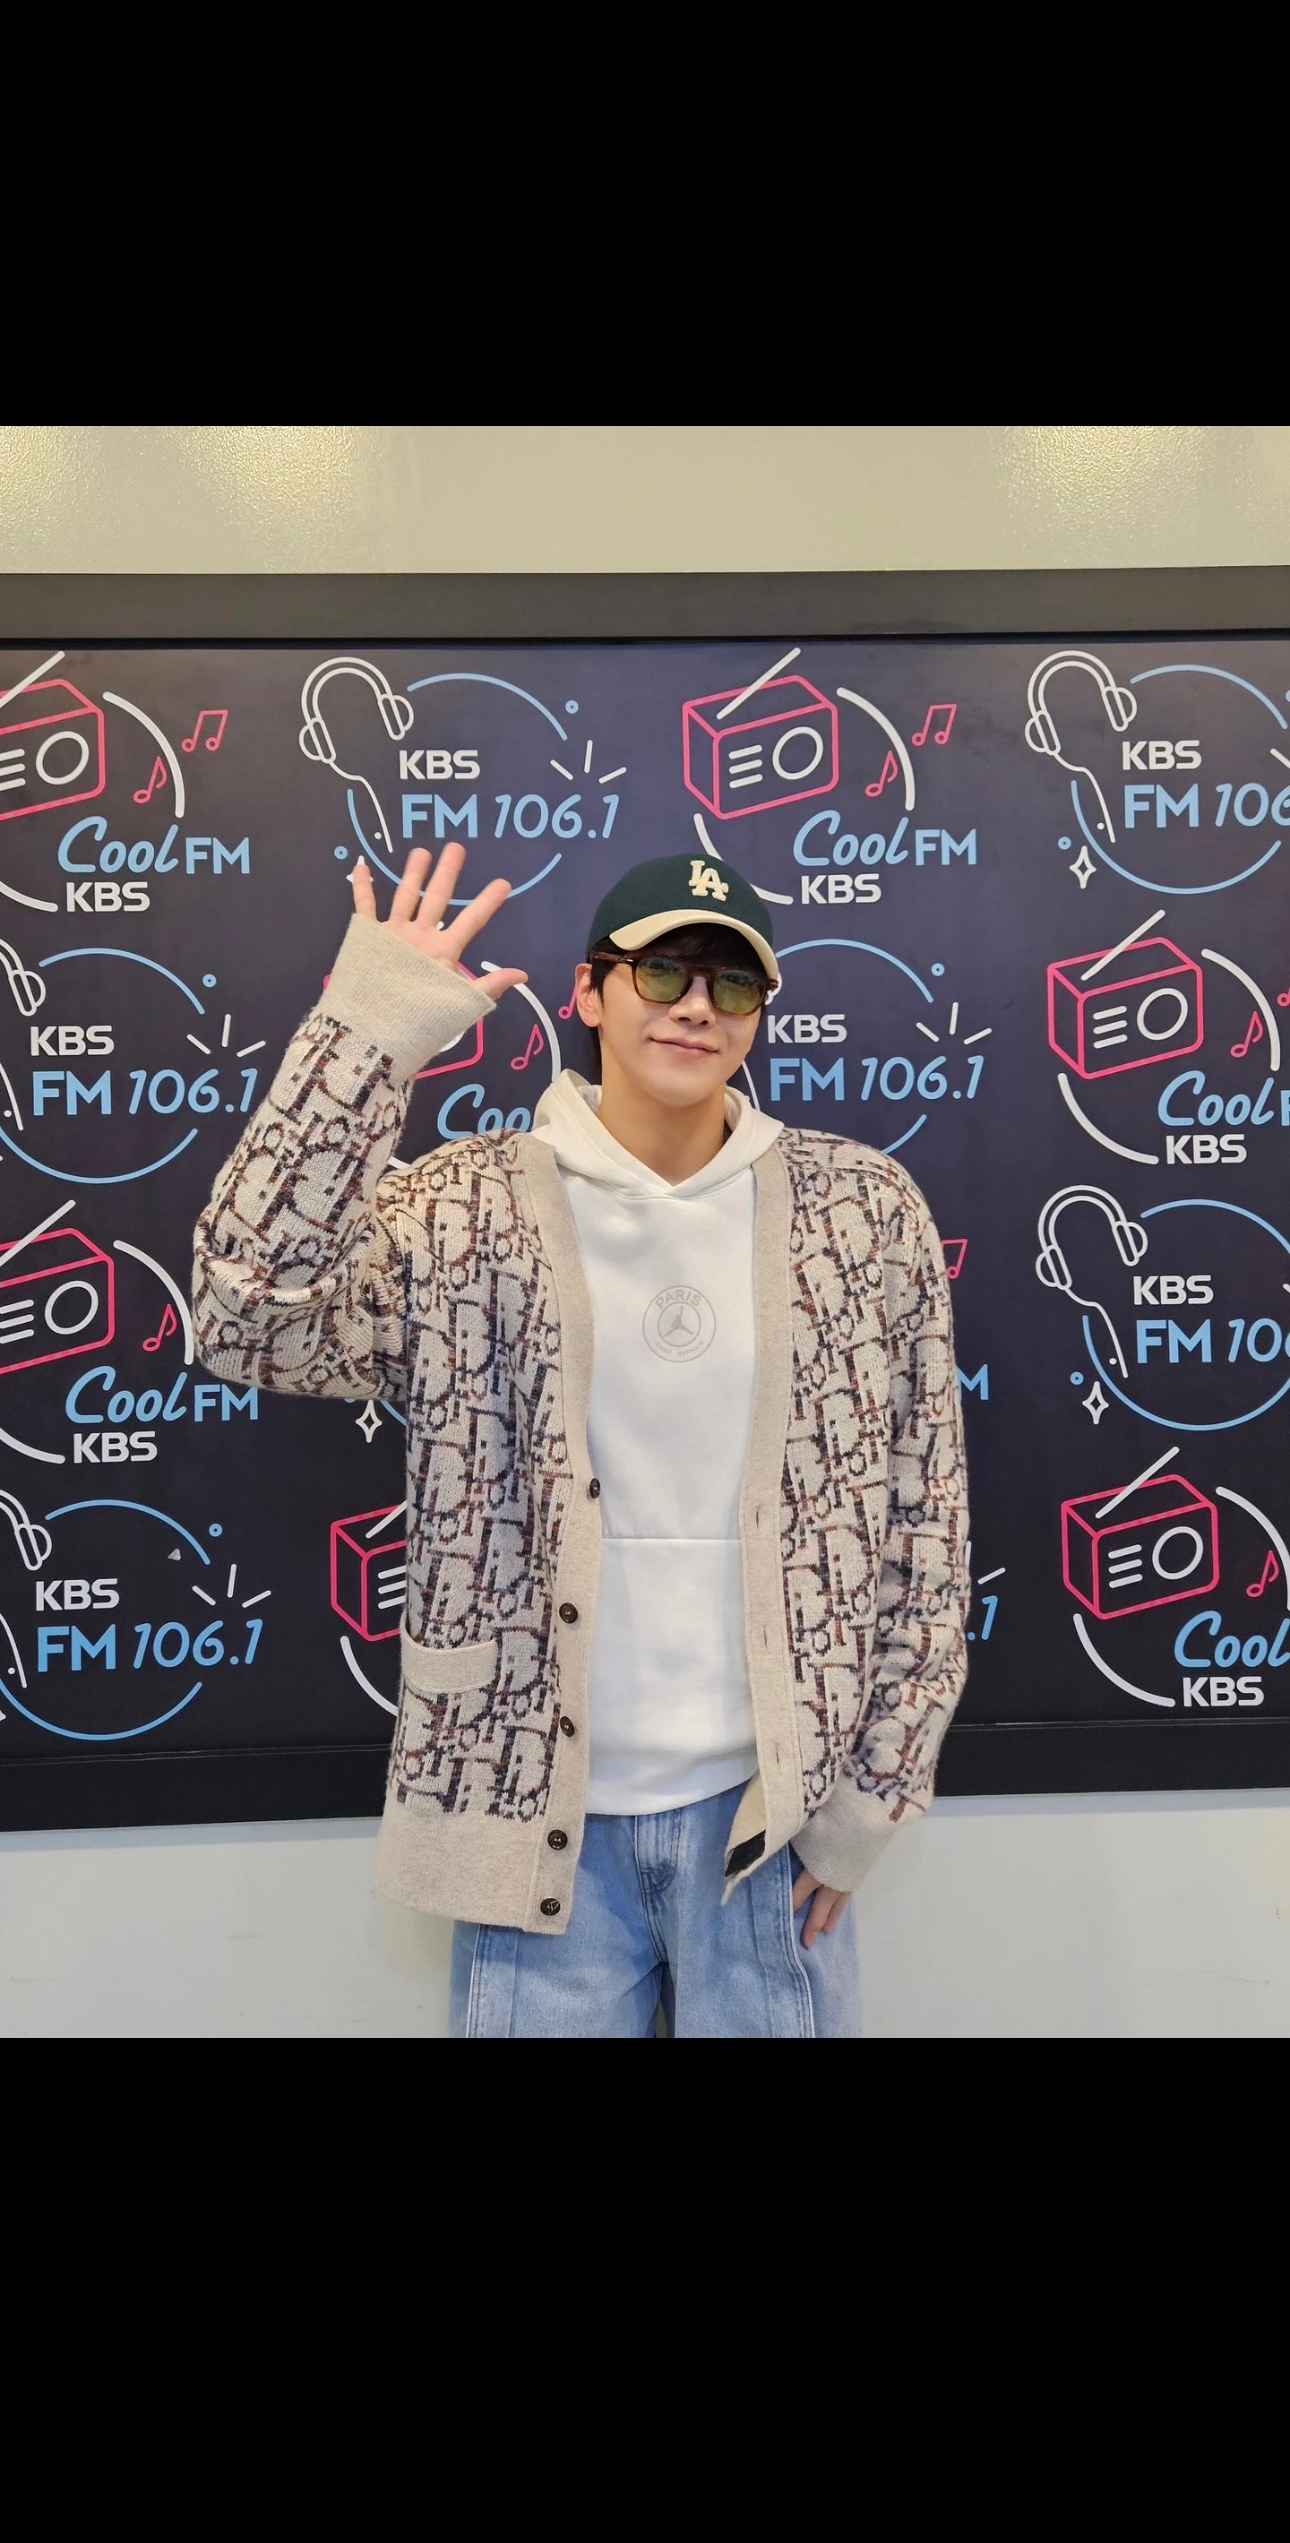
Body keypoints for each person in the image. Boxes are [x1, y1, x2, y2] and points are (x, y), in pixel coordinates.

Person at [194, 842, 969, 2038]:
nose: (697, 1005)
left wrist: (869, 1799)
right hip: (530, 1818)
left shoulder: (862, 1212)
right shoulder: (460, 1208)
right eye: (661, 972)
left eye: (732, 980)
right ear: (589, 993)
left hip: (771, 1821)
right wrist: (370, 1035)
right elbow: (247, 1318)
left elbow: (928, 1517)